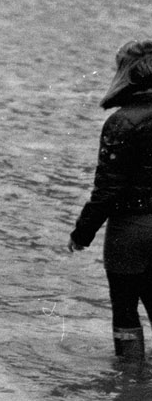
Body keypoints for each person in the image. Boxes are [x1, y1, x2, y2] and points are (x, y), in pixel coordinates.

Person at [69, 40, 152, 362]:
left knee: (125, 308)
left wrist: (82, 233)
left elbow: (107, 190)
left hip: (130, 230)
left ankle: (129, 391)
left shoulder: (120, 122)